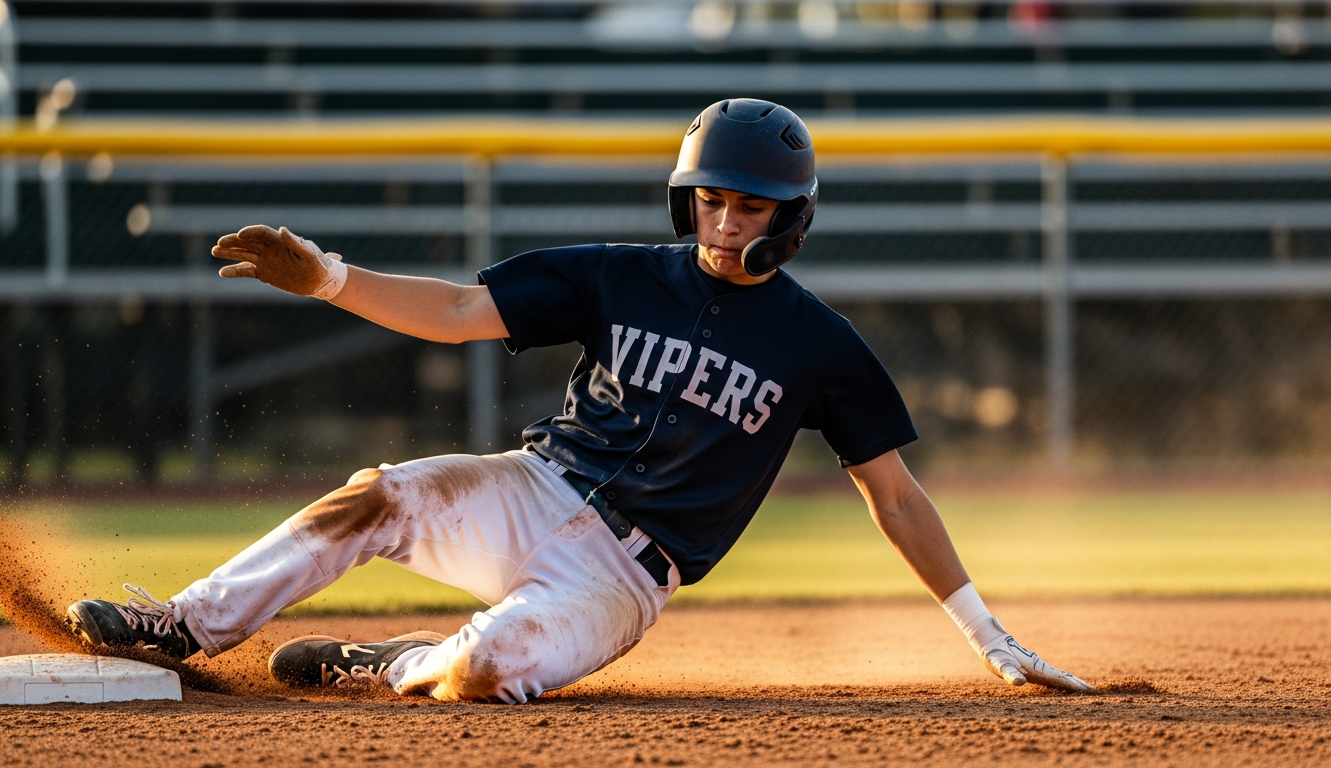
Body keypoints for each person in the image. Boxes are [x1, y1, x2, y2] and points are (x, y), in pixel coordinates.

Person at [65, 98, 1094, 703]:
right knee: (373, 496)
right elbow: (464, 311)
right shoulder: (617, 275)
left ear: (793, 217)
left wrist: (984, 635)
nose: (725, 217)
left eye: (749, 203)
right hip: (530, 485)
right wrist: (333, 278)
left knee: (485, 672)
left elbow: (896, 495)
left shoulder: (819, 344)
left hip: (624, 574)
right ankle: (184, 626)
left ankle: (403, 663)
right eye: (711, 195)